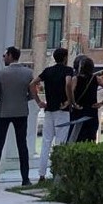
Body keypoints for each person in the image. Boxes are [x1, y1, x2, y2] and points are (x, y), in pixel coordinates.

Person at [0, 46, 35, 187]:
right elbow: (32, 94)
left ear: (10, 56)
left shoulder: (2, 73)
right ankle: (25, 178)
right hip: (21, 112)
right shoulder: (28, 73)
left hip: (3, 112)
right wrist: (22, 99)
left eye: (4, 55)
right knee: (22, 145)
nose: (3, 58)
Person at [30, 46, 74, 181]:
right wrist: (69, 100)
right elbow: (68, 84)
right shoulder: (68, 70)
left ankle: (41, 174)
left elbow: (32, 84)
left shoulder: (47, 71)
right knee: (60, 142)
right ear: (65, 58)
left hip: (49, 109)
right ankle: (58, 173)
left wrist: (39, 101)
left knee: (46, 142)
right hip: (62, 110)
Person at [65, 56, 103, 143]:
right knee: (91, 137)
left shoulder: (76, 79)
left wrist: (73, 103)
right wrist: (102, 102)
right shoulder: (96, 78)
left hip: (79, 111)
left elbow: (71, 90)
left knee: (76, 137)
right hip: (92, 111)